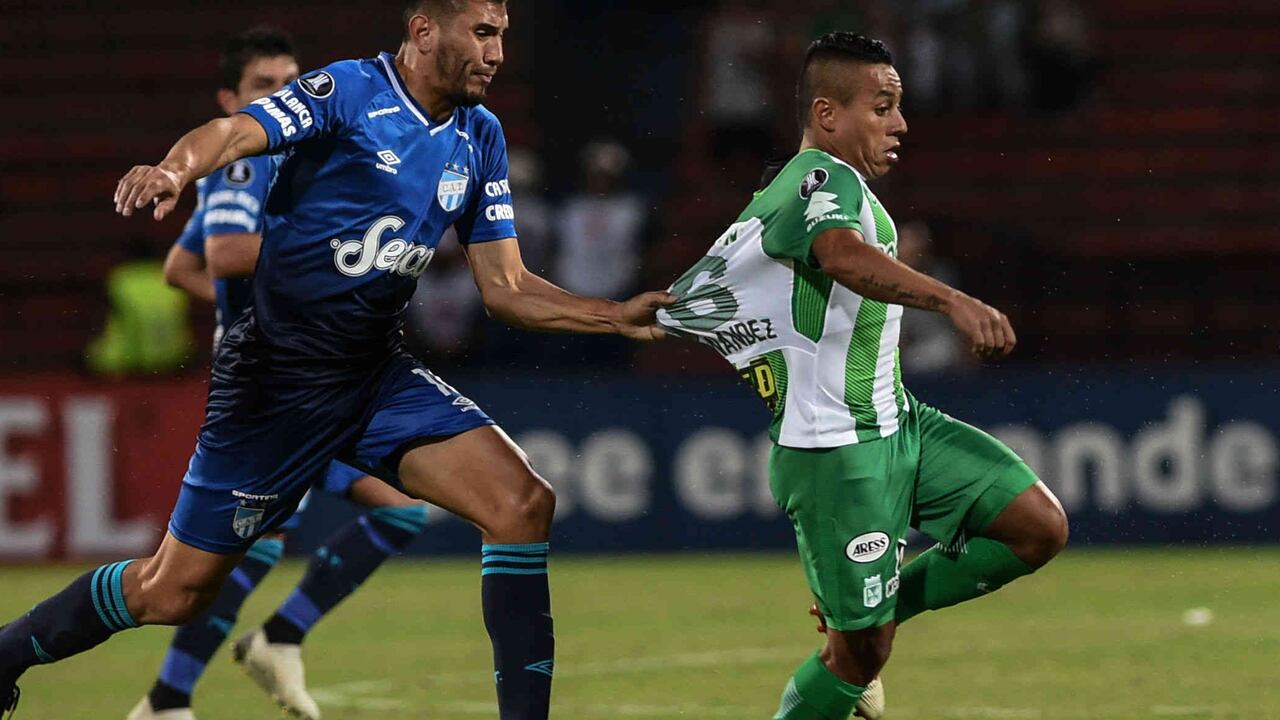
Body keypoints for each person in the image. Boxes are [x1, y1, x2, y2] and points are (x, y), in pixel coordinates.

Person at [0, 2, 670, 719]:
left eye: (501, 35)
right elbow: (235, 132)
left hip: (374, 375)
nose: (497, 53)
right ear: (424, 31)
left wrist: (613, 315)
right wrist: (174, 169)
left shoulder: (480, 136)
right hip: (275, 384)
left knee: (521, 504)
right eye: (482, 33)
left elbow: (506, 288)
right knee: (172, 592)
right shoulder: (350, 91)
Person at [657, 32, 1068, 720]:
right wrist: (952, 300)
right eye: (882, 107)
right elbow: (841, 256)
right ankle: (857, 634)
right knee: (859, 657)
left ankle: (876, 612)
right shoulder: (822, 179)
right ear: (827, 114)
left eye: (897, 106)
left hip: (898, 421)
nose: (899, 123)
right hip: (837, 450)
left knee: (1036, 526)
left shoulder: (833, 188)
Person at [136, 28, 432, 720]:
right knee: (249, 551)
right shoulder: (243, 165)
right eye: (263, 85)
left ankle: (234, 663)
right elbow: (225, 254)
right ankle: (184, 690)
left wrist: (265, 300)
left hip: (315, 377)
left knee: (384, 514)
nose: (282, 94)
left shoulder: (299, 160)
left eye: (289, 81)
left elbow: (181, 267)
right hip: (275, 384)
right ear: (229, 100)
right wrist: (324, 261)